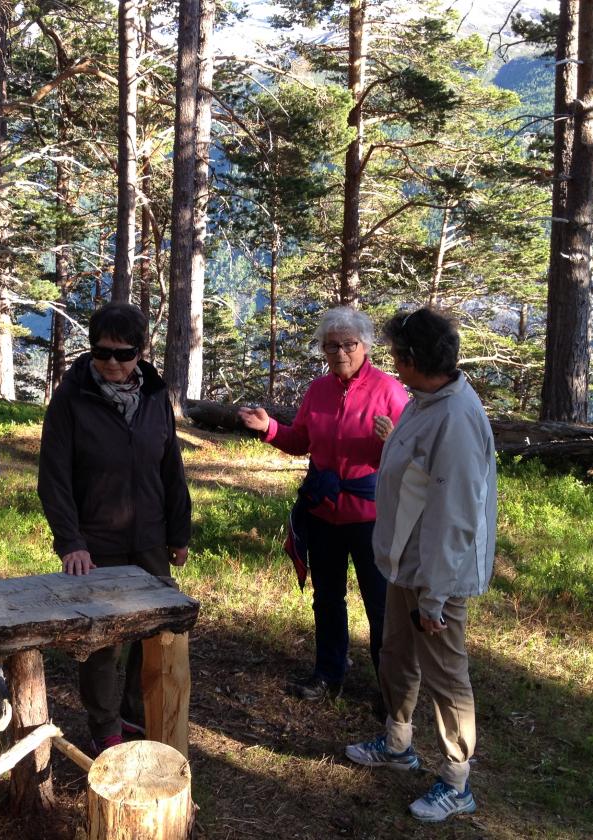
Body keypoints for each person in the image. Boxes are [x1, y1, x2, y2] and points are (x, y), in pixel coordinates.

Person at [344, 307, 496, 823]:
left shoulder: (455, 418)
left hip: (438, 576)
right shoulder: (427, 400)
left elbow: (455, 518)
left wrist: (434, 596)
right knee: (396, 656)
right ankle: (397, 744)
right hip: (406, 562)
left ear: (412, 361)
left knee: (446, 676)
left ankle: (457, 782)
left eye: (396, 357)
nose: (392, 365)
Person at [37, 302, 191, 754]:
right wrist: (71, 542)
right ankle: (105, 726)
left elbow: (170, 467)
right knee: (100, 642)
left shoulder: (154, 396)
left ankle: (135, 712)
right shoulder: (71, 397)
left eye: (123, 354)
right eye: (101, 353)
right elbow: (54, 478)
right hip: (95, 542)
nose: (111, 363)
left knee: (152, 633)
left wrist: (178, 533)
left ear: (140, 353)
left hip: (149, 538)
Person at [238, 306, 408, 702]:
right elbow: (301, 440)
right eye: (330, 346)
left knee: (380, 603)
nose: (339, 353)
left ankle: (391, 688)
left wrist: (395, 440)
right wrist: (270, 429)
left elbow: (413, 456)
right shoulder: (318, 389)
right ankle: (329, 673)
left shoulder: (389, 390)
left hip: (371, 516)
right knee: (327, 597)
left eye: (348, 344)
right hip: (323, 512)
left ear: (365, 345)